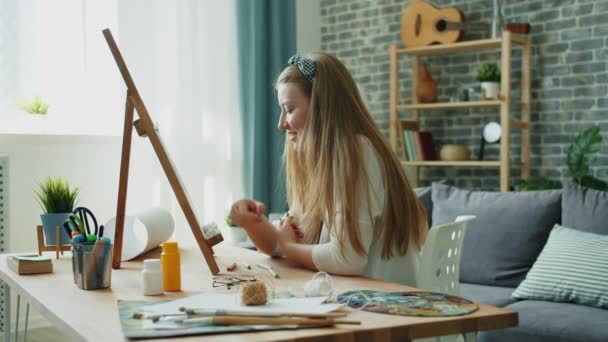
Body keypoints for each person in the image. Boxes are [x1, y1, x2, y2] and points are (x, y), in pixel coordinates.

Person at [229, 52, 427, 286]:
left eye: (289, 109)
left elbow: (347, 259)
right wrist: (252, 223)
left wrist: (289, 247)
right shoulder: (319, 161)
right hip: (354, 298)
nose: (281, 123)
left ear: (322, 110)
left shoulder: (356, 153)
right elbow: (282, 245)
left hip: (382, 303)